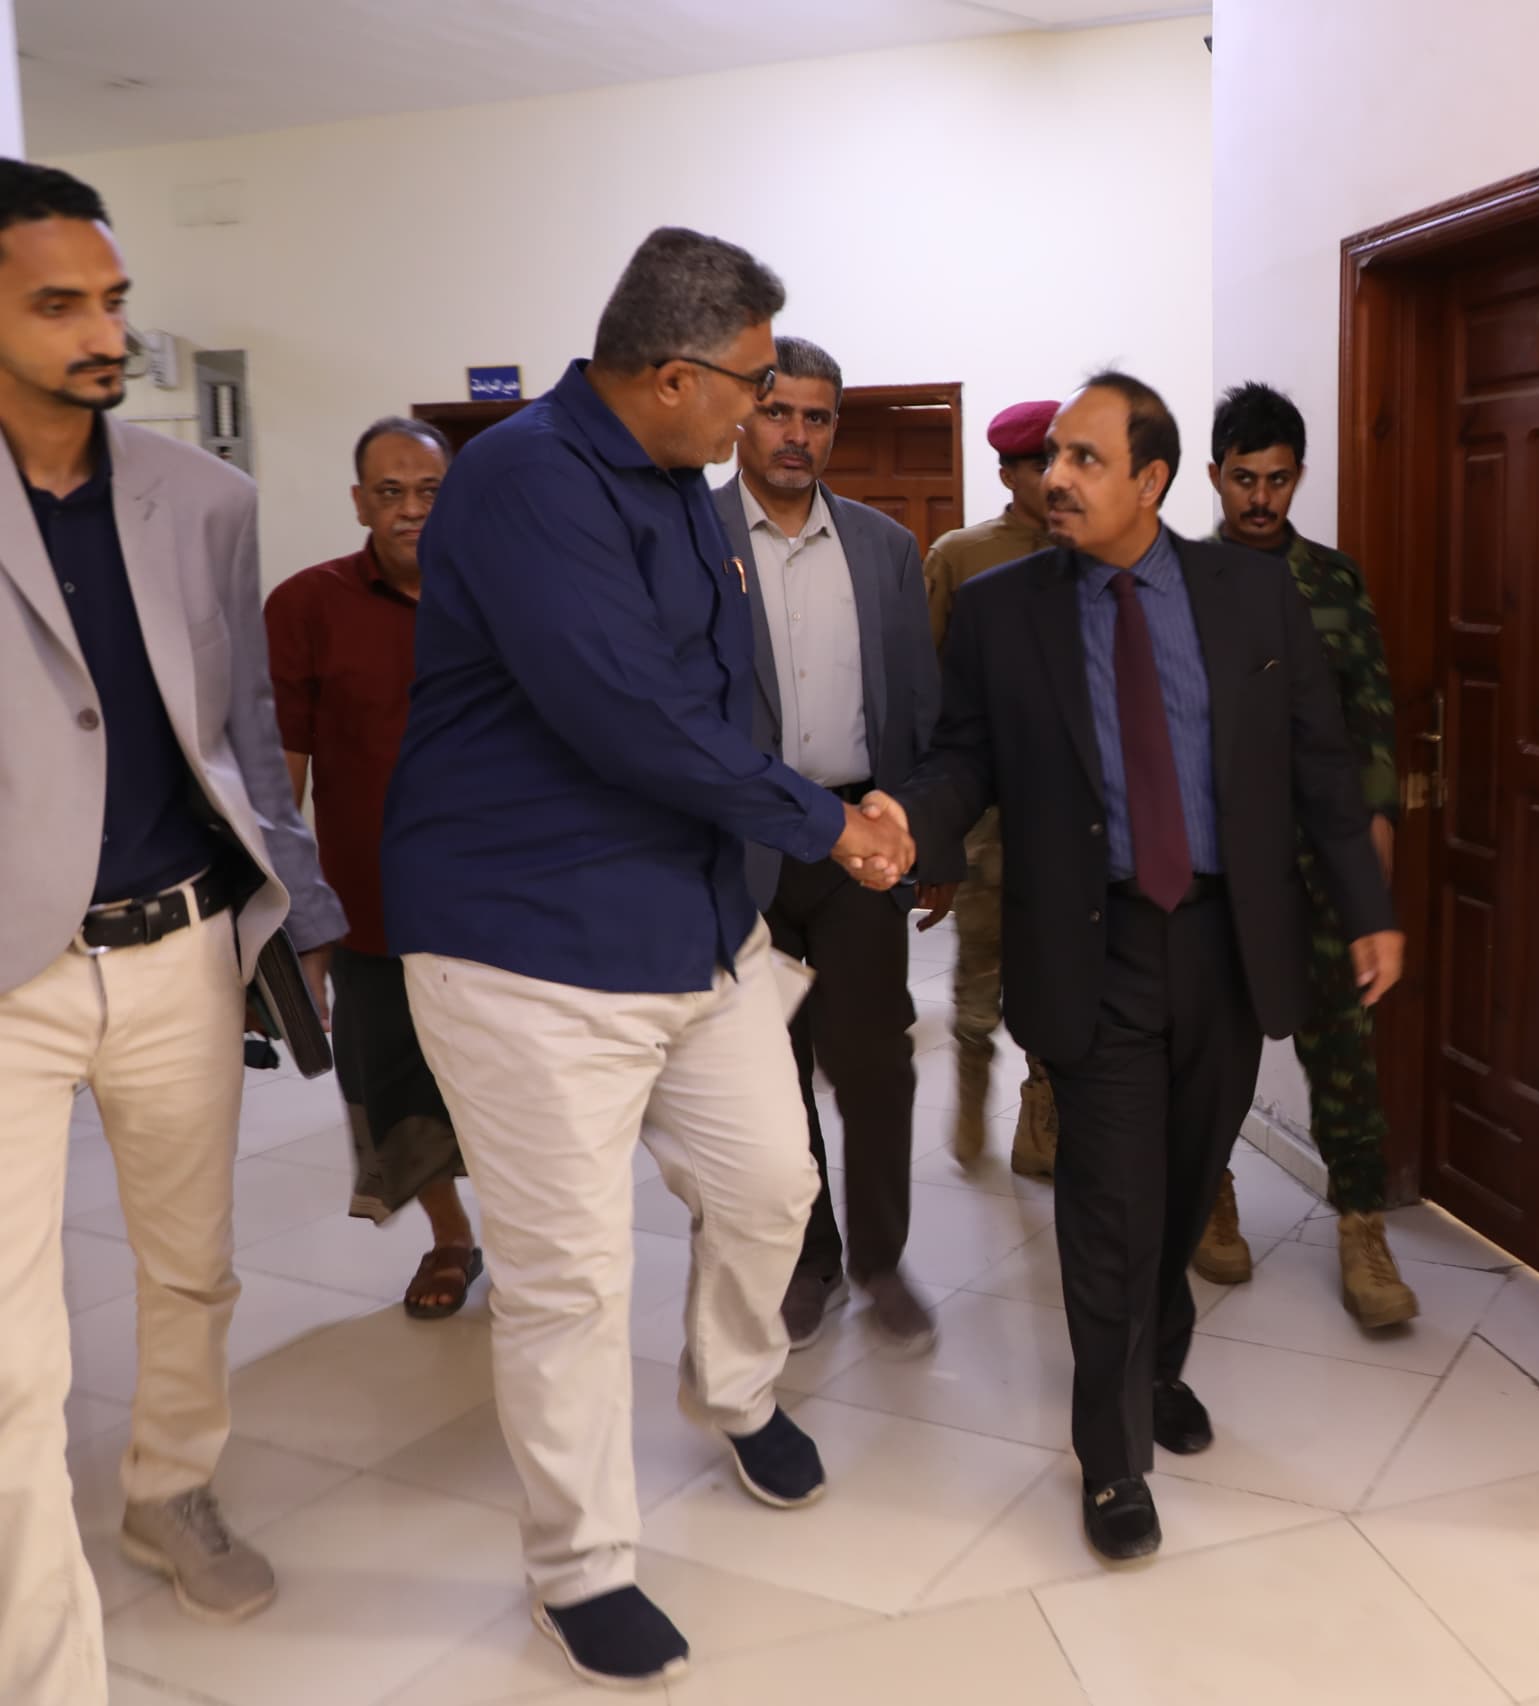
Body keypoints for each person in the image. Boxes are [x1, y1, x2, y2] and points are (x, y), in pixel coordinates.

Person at [381, 228, 905, 1689]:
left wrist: (817, 815)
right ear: (673, 375)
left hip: (695, 923)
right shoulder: (527, 479)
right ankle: (580, 1567)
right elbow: (626, 713)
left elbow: (720, 702)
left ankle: (731, 1389)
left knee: (772, 1185)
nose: (764, 411)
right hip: (529, 947)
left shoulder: (683, 480)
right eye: (751, 385)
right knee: (569, 1276)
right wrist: (826, 824)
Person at [872, 372, 1403, 1560]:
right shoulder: (1004, 610)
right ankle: (1112, 1455)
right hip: (1091, 940)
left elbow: (1320, 763)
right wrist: (911, 821)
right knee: (1109, 1204)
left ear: (1152, 480)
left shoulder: (1251, 595)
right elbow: (964, 757)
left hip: (1226, 939)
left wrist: (1368, 905)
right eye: (1053, 455)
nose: (1055, 477)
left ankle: (1157, 1363)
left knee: (1181, 1179)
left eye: (1085, 459)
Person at [0, 159, 343, 1702]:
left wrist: (304, 909)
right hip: (10, 974)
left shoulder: (204, 500)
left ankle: (169, 1487)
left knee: (192, 1268)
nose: (103, 333)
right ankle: (43, 1659)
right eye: (58, 304)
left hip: (180, 949)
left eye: (114, 300)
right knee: (12, 1343)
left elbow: (248, 731)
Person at [711, 333, 953, 1355]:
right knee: (769, 1073)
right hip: (740, 848)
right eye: (778, 411)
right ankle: (809, 1258)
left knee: (876, 1065)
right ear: (744, 416)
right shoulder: (687, 535)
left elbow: (920, 710)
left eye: (816, 417)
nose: (796, 434)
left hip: (859, 843)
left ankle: (881, 1260)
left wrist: (931, 846)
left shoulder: (886, 548)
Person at [1193, 382, 1417, 1328]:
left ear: (1300, 478)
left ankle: (1363, 1228)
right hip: (1222, 856)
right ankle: (1210, 1196)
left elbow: (1372, 707)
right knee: (1212, 1040)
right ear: (1215, 475)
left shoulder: (1333, 581)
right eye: (1244, 479)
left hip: (1323, 853)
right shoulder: (1184, 581)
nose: (1260, 499)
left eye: (1278, 480)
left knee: (1343, 1043)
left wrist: (1378, 822)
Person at [266, 416, 482, 1318]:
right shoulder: (305, 607)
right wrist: (291, 920)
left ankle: (543, 1242)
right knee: (395, 1088)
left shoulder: (507, 598)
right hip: (372, 909)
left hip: (503, 908)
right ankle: (451, 1237)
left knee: (516, 1089)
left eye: (429, 491)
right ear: (360, 503)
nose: (411, 511)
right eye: (390, 493)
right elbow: (281, 778)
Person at [920, 398, 1063, 1177]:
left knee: (1059, 968)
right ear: (1008, 474)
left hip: (1069, 810)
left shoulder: (1096, 550)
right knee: (981, 963)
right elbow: (927, 685)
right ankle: (973, 1078)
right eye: (1040, 463)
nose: (1056, 476)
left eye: (1066, 458)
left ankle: (1041, 1113)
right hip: (987, 809)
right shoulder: (962, 555)